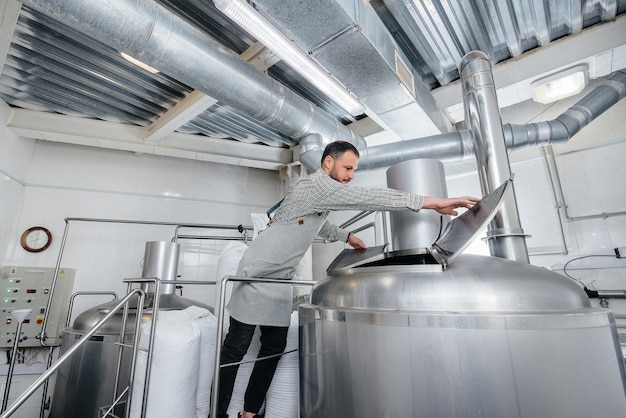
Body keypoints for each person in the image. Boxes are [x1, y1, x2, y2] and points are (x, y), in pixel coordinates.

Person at [217, 140, 479, 418]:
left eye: (354, 169)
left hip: (280, 281)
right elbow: (369, 197)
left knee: (273, 347)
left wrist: (345, 236)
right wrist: (431, 202)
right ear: (328, 162)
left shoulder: (318, 193)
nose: (351, 175)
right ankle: (218, 413)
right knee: (235, 350)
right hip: (256, 273)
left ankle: (248, 413)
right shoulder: (317, 186)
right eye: (348, 168)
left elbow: (314, 221)